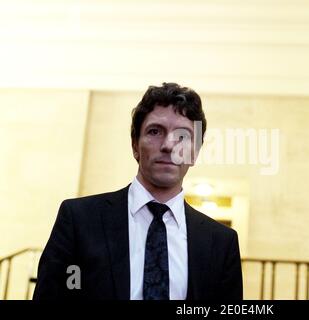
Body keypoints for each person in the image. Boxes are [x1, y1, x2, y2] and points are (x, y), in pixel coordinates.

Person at [33, 82, 243, 300]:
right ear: (135, 145)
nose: (169, 145)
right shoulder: (79, 219)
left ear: (195, 152)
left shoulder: (221, 242)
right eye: (155, 131)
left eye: (182, 136)